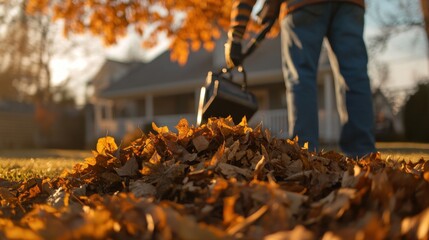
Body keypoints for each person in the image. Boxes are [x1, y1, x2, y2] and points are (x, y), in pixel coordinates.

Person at [225, 0, 377, 158]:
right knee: (355, 75)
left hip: (301, 5)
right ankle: (364, 158)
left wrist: (236, 36)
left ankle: (306, 156)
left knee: (301, 77)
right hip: (350, 4)